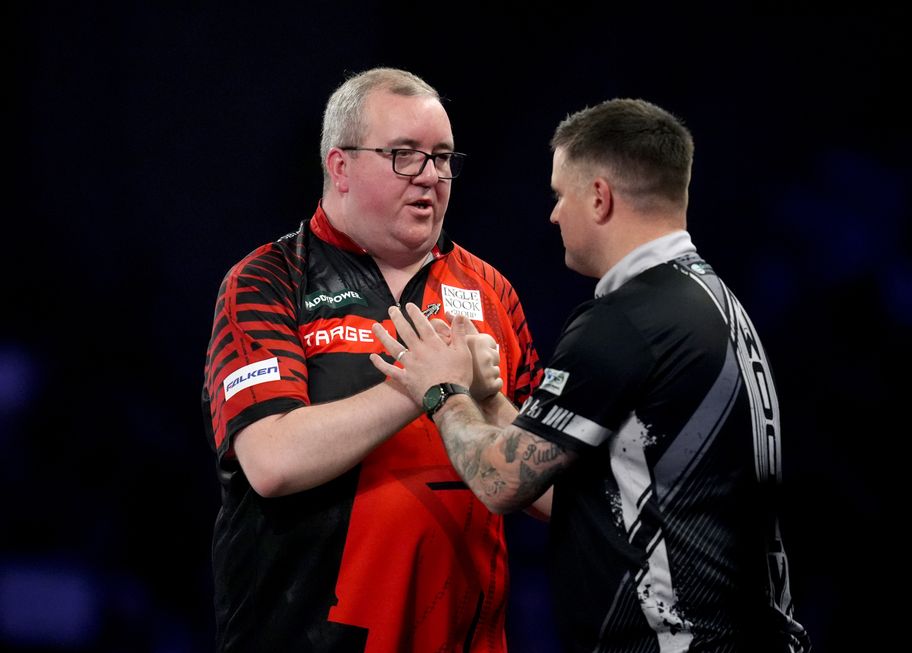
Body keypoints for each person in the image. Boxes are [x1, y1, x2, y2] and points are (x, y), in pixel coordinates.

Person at [371, 99, 811, 652]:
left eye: (561, 195)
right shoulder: (714, 304)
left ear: (600, 197)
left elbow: (500, 483)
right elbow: (587, 488)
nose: (554, 215)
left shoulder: (625, 323)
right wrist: (488, 399)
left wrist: (442, 390)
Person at [201, 67, 541, 652]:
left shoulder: (492, 292)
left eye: (442, 158)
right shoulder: (266, 282)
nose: (430, 176)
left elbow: (553, 488)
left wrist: (486, 399)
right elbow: (271, 460)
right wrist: (423, 385)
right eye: (404, 155)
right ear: (340, 166)